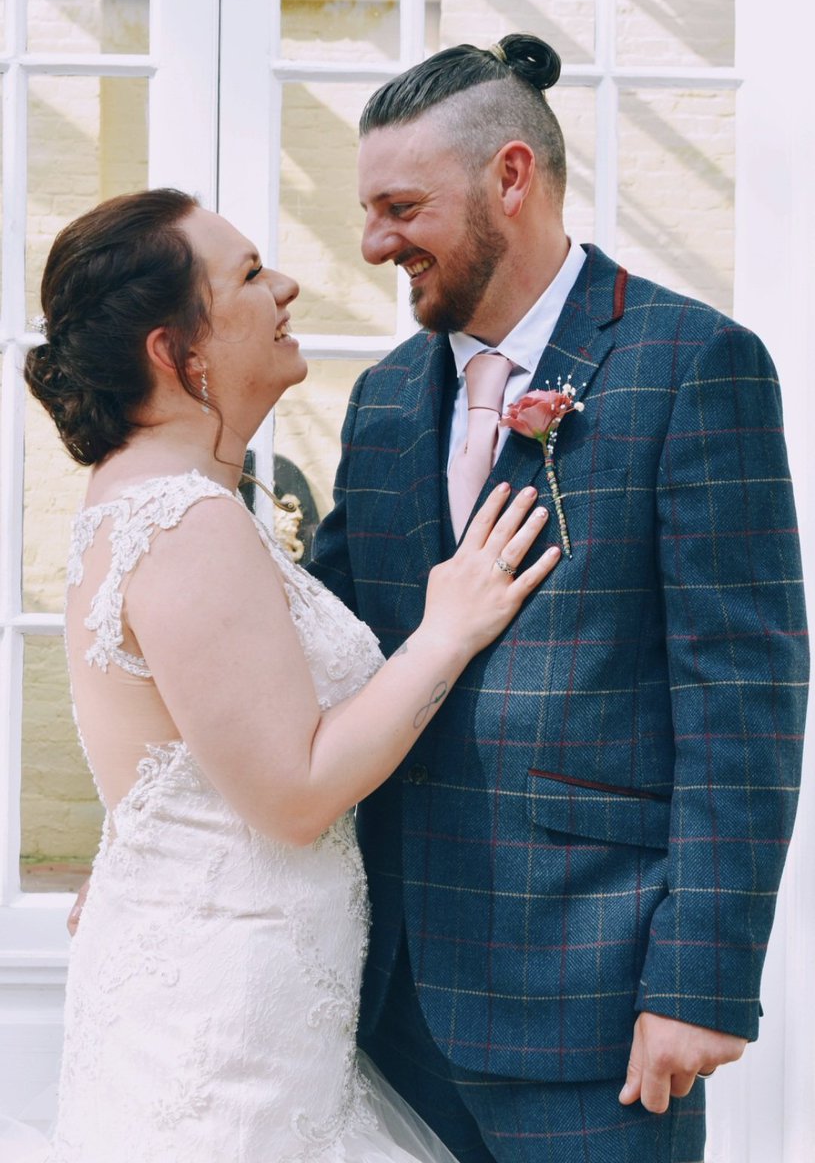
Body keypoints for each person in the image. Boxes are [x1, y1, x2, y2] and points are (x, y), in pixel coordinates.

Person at [308, 33, 809, 1162]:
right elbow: (327, 648)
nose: (374, 242)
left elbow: (743, 695)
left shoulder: (693, 363)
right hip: (387, 1003)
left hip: (594, 1009)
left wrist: (700, 981)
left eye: (399, 207)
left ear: (511, 176)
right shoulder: (385, 398)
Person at [10, 187, 562, 1162]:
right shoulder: (183, 519)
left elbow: (181, 751)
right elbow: (295, 793)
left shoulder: (157, 498)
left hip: (246, 999)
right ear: (173, 350)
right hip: (227, 1040)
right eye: (251, 275)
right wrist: (447, 628)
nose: (288, 286)